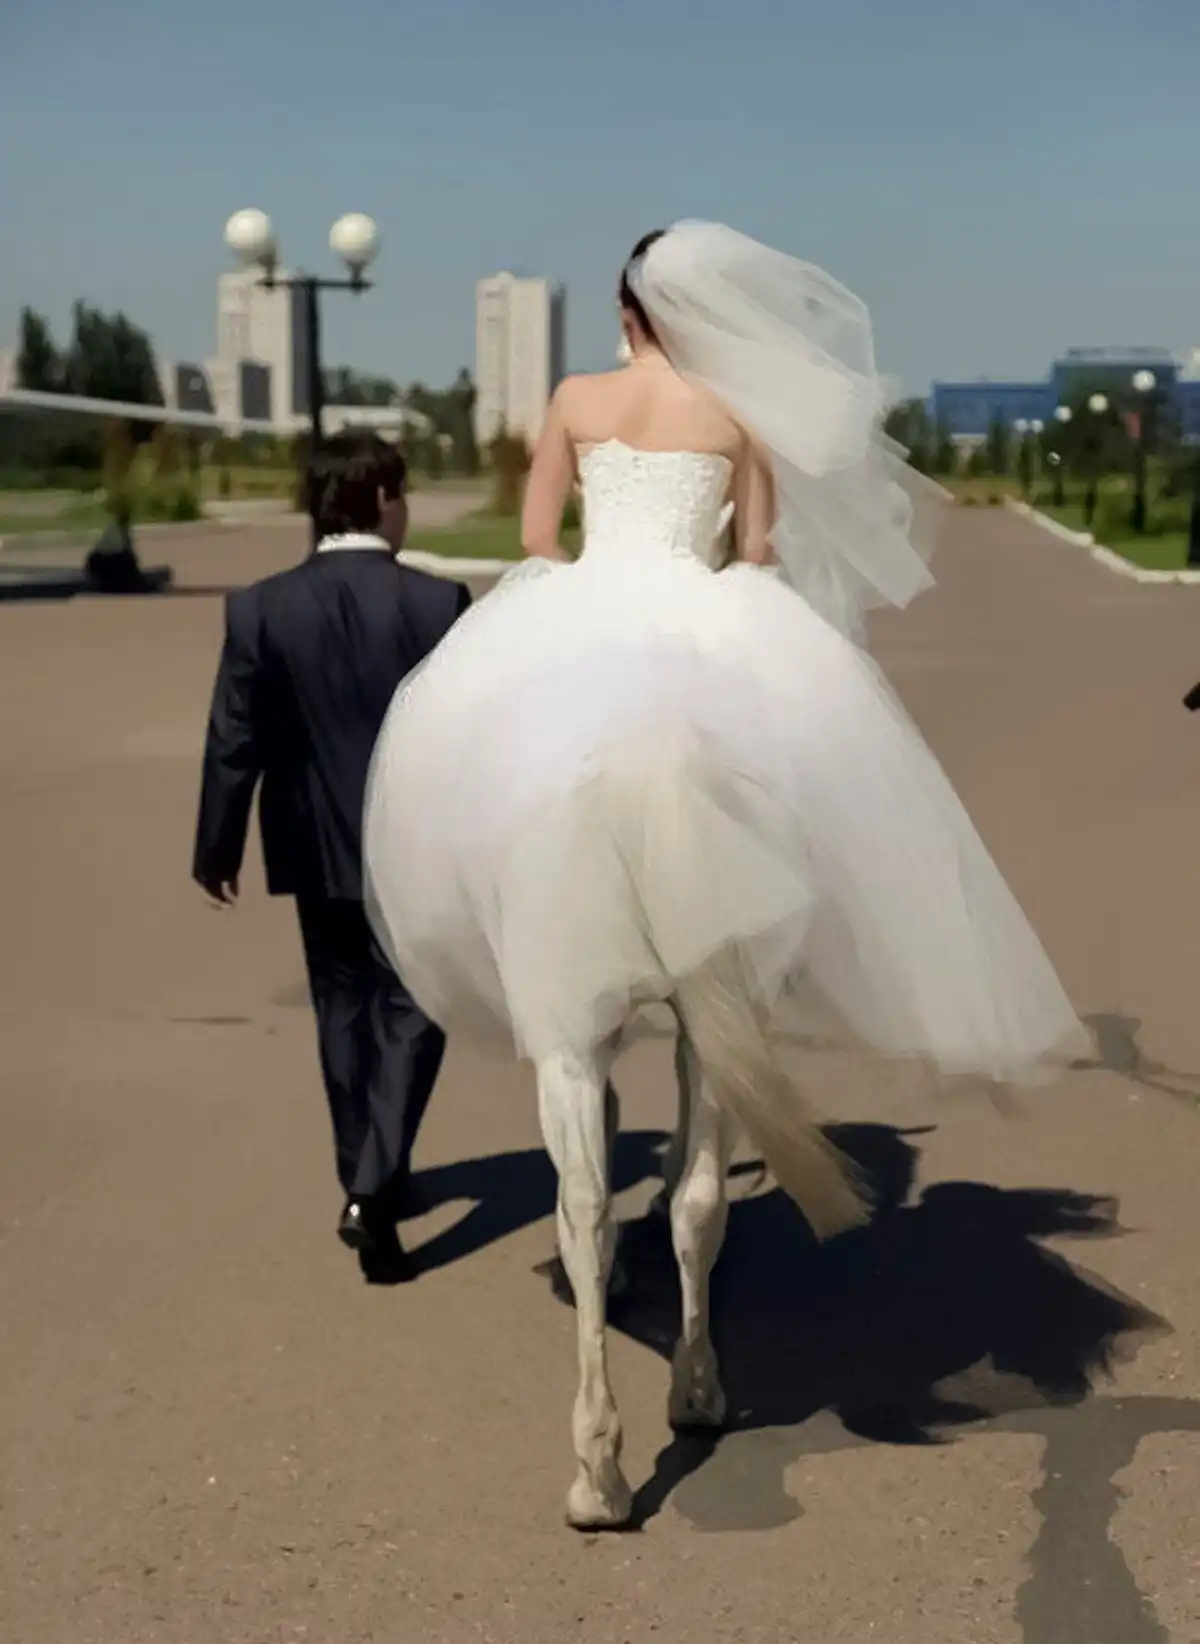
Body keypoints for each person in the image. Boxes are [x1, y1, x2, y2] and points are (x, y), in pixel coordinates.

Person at [364, 219, 1086, 1139]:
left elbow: (538, 537)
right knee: (798, 781)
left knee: (492, 772)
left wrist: (590, 576)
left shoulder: (576, 398)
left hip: (586, 593)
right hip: (702, 599)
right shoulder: (737, 415)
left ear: (626, 311)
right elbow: (756, 551)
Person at [193, 432, 471, 1284]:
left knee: (342, 1007)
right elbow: (471, 736)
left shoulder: (260, 607)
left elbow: (233, 737)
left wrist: (216, 847)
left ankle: (364, 1174)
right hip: (413, 844)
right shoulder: (438, 604)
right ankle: (374, 1188)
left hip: (311, 841)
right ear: (382, 498)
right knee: (415, 1007)